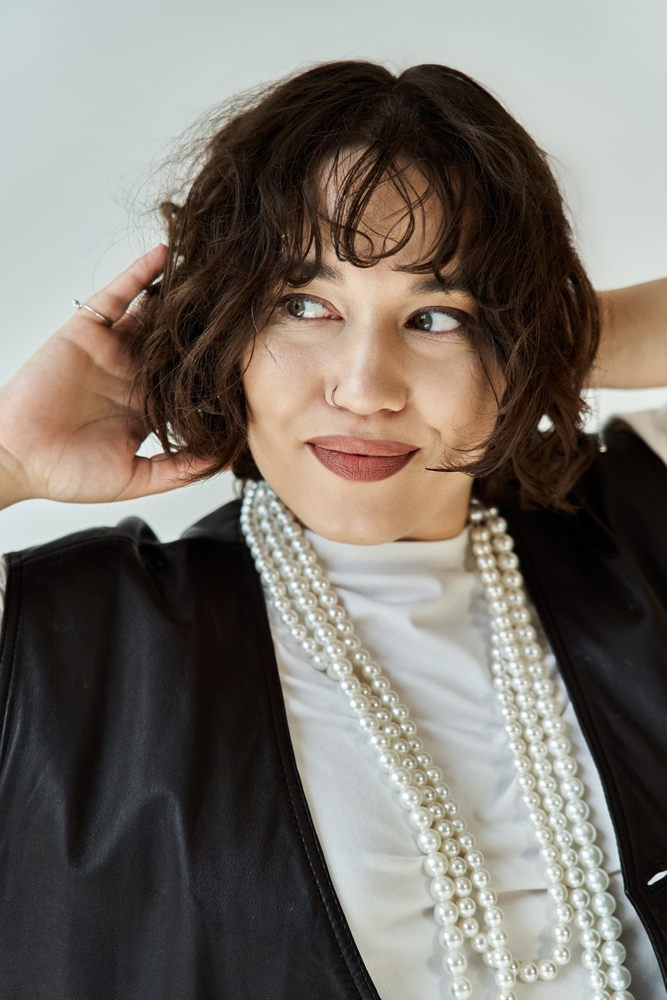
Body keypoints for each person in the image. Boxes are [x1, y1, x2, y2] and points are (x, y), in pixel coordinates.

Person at [0, 60, 665, 1000]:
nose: (363, 388)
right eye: (303, 306)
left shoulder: (637, 519)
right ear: (224, 326)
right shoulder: (60, 634)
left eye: (435, 316)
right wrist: (11, 461)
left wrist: (549, 335)